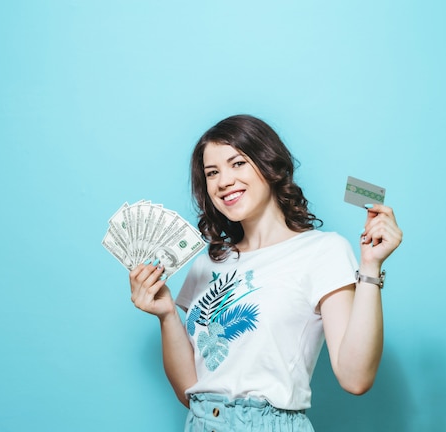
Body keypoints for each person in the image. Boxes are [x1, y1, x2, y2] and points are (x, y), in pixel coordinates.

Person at [129, 114, 402, 431]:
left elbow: (355, 379)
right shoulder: (207, 264)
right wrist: (166, 315)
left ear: (269, 165)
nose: (224, 181)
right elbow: (189, 390)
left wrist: (370, 267)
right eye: (212, 173)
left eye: (238, 163)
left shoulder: (322, 251)